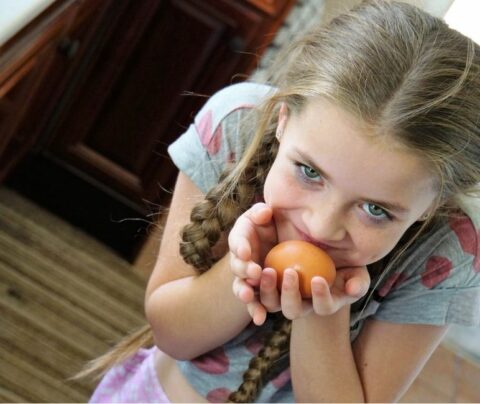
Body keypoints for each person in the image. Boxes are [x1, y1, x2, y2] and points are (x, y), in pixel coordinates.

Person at [83, 0, 480, 402]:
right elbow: (172, 334)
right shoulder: (237, 126)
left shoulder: (448, 256)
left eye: (375, 210)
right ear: (283, 120)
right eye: (309, 172)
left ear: (432, 204)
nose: (321, 226)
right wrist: (240, 272)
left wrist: (322, 315)